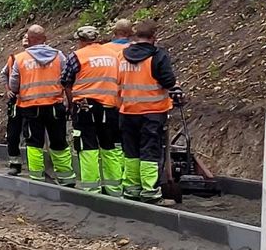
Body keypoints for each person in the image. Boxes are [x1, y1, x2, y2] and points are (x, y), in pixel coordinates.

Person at [119, 19, 182, 203]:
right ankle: (149, 192)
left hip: (128, 111)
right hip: (152, 113)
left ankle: (131, 189)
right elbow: (168, 81)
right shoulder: (158, 56)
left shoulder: (121, 56)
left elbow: (116, 81)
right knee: (149, 152)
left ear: (135, 36)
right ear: (154, 37)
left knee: (131, 152)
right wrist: (176, 87)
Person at [8, 25, 76, 186]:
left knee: (34, 143)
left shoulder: (21, 59)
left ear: (29, 40)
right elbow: (67, 79)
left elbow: (13, 85)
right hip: (55, 106)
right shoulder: (59, 56)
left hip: (31, 108)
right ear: (45, 39)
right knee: (59, 141)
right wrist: (69, 103)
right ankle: (66, 177)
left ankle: (38, 178)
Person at [62, 25, 123, 196]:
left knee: (87, 147)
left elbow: (66, 81)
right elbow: (120, 80)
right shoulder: (113, 55)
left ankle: (91, 189)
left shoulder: (77, 56)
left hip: (85, 107)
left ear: (81, 40)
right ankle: (114, 188)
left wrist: (71, 104)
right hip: (110, 107)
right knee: (110, 147)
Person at [0, 33, 29, 175]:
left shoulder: (39, 59)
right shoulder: (14, 59)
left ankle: (36, 164)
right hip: (16, 101)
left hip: (32, 101)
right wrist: (8, 90)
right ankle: (15, 163)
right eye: (23, 36)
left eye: (28, 36)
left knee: (30, 133)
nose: (25, 39)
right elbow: (4, 74)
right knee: (13, 133)